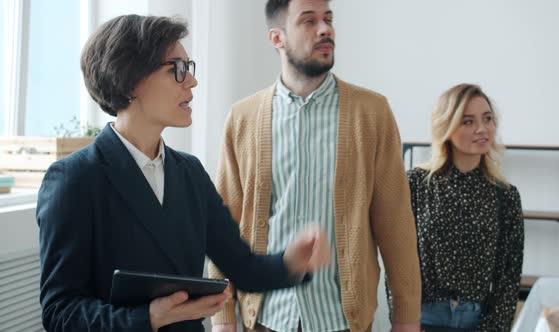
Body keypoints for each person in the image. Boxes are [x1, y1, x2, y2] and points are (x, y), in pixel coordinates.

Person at [36, 14, 332, 332]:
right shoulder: (73, 179)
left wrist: (290, 262)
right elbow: (61, 313)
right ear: (129, 80)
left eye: (189, 69)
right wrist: (150, 317)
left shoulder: (189, 172)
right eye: (177, 70)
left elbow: (243, 268)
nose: (191, 82)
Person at [208, 1, 422, 331]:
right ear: (277, 38)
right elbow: (223, 225)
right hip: (266, 318)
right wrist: (223, 319)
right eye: (308, 21)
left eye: (328, 19)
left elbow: (396, 224)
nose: (325, 29)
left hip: (341, 320)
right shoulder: (243, 118)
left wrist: (406, 319)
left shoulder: (371, 113)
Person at [386, 84, 524, 331]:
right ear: (446, 128)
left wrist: (492, 328)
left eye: (488, 119)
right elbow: (397, 261)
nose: (482, 129)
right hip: (420, 320)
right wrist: (404, 320)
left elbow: (509, 276)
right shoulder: (415, 184)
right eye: (468, 121)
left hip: (478, 322)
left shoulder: (506, 196)